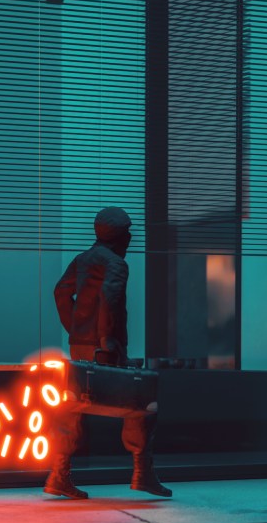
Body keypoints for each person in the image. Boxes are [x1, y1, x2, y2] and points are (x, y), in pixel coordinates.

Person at [43, 207, 172, 500]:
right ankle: (143, 473)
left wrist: (75, 328)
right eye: (128, 233)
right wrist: (105, 339)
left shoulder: (82, 259)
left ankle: (58, 476)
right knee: (141, 402)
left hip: (80, 345)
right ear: (121, 236)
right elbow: (109, 298)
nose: (130, 238)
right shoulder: (116, 264)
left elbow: (60, 293)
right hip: (106, 347)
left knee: (72, 406)